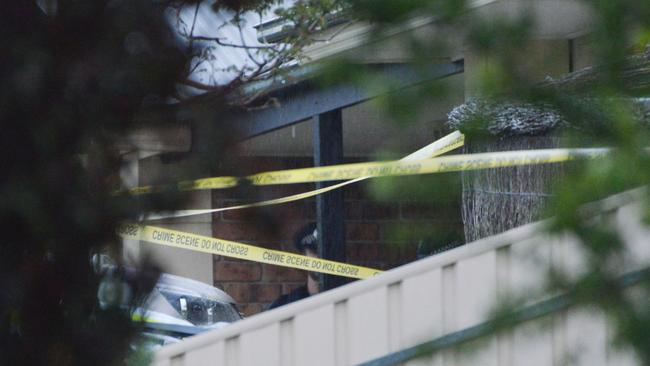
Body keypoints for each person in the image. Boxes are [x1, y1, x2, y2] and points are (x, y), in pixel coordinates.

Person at [266, 223, 320, 310]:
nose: (320, 258)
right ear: (303, 257)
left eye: (327, 252)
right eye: (315, 251)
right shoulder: (283, 306)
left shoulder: (348, 298)